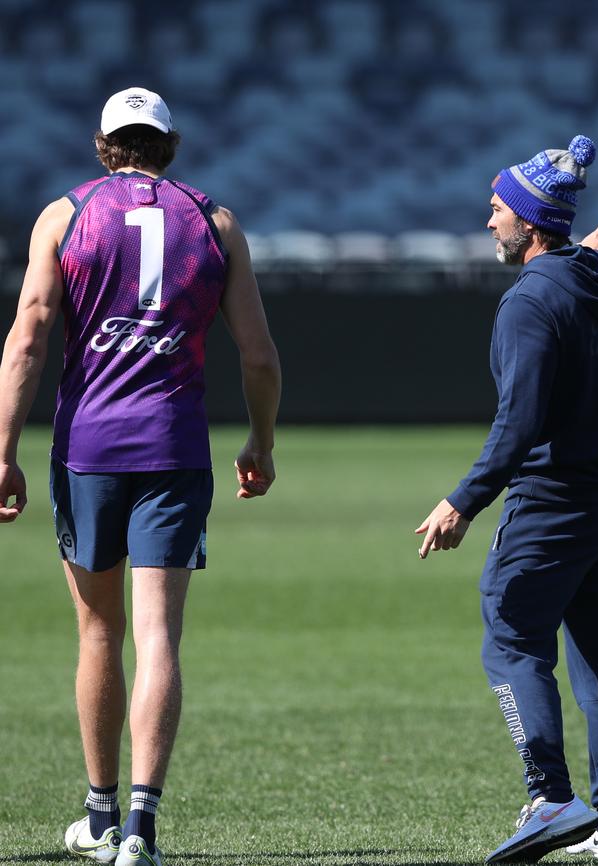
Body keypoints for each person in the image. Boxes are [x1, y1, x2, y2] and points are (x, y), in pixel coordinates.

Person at [0, 87, 281, 866]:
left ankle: (97, 812)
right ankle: (140, 831)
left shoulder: (64, 215)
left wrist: (2, 450)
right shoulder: (216, 222)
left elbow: (27, 337)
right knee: (160, 636)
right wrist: (260, 440)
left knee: (99, 632)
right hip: (174, 449)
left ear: (104, 143)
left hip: (88, 448)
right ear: (170, 144)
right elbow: (257, 353)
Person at [415, 135, 598, 863]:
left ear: (530, 222)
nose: (490, 223)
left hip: (554, 502)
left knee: (511, 637)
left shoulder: (529, 301)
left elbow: (520, 420)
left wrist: (463, 500)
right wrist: (591, 252)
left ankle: (550, 797)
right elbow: (596, 270)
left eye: (498, 211)